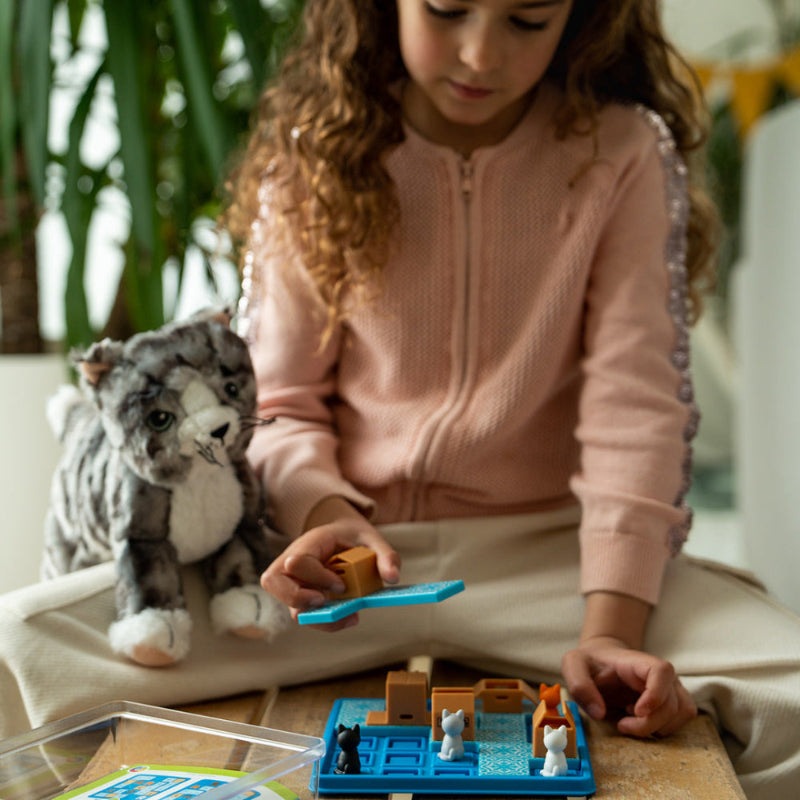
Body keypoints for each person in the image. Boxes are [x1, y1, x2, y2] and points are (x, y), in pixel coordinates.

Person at [0, 2, 798, 798]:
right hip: (340, 575)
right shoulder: (315, 155)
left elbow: (637, 408)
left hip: (550, 565)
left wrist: (611, 632)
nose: (481, 54)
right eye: (447, 9)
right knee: (25, 647)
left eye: (528, 19)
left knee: (789, 689)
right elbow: (277, 404)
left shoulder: (622, 153)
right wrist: (321, 518)